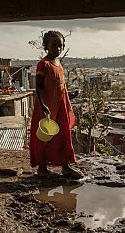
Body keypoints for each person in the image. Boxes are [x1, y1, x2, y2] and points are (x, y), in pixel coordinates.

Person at [29, 31, 83, 179]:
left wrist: (68, 97)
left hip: (60, 106)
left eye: (60, 46)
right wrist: (42, 105)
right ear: (46, 46)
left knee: (64, 134)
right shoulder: (43, 64)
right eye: (54, 46)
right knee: (44, 138)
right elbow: (38, 87)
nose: (58, 49)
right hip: (46, 107)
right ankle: (42, 167)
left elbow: (60, 85)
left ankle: (66, 166)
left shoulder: (58, 63)